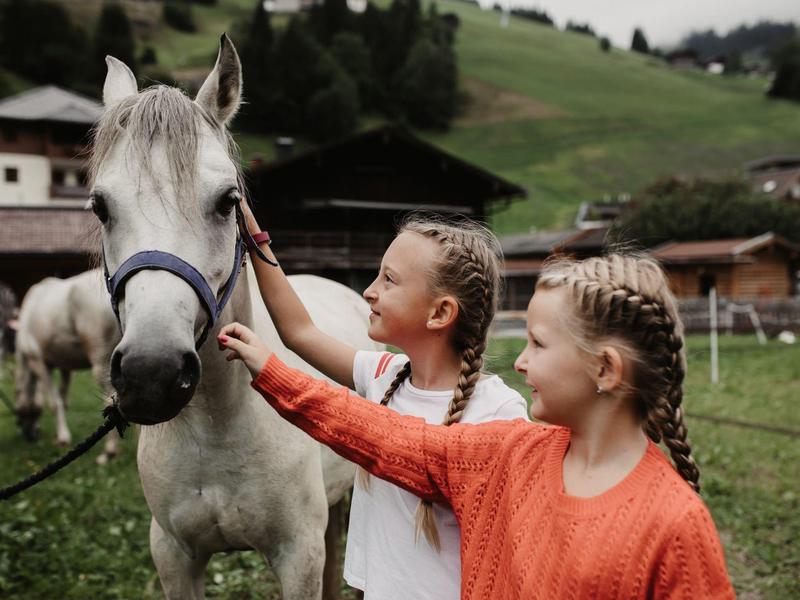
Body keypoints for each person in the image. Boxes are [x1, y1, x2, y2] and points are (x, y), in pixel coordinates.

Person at [219, 253, 736, 599]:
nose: (520, 363)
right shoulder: (507, 454)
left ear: (604, 369)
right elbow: (380, 435)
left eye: (538, 343)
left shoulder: (675, 526)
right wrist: (271, 370)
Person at [236, 205, 529, 600]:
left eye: (389, 280)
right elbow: (299, 331)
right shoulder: (383, 375)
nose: (369, 291)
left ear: (440, 312)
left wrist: (274, 374)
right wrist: (256, 239)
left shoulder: (499, 412)